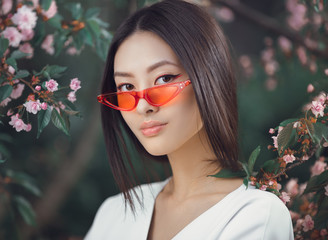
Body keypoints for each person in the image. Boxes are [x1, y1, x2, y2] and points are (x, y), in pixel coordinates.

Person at [84, 0, 294, 239]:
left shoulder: (255, 215)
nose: (143, 105)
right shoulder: (115, 212)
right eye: (127, 86)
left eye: (163, 79)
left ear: (209, 76)